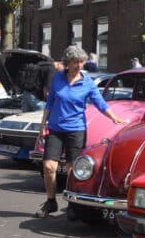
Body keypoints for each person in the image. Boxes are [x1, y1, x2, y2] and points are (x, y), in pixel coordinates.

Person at [36, 45, 126, 217]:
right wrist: (42, 125)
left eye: (81, 62)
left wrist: (114, 117)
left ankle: (72, 205)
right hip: (55, 128)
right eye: (75, 62)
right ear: (67, 63)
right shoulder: (57, 79)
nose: (79, 65)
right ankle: (50, 201)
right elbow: (50, 102)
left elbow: (100, 104)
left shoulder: (87, 83)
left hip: (76, 129)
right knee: (48, 166)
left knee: (72, 168)